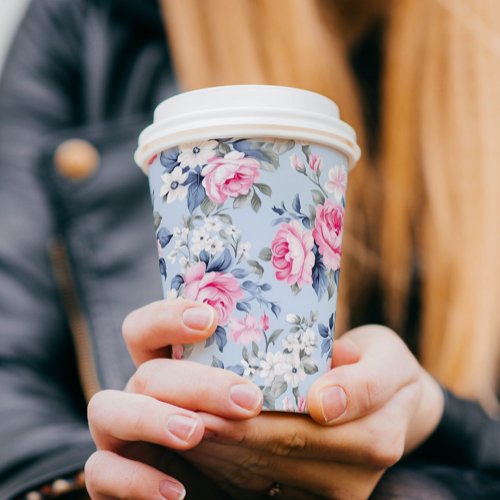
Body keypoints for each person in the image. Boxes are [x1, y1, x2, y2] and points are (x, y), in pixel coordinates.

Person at [0, 0, 499, 498]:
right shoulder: (94, 20)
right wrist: (98, 483)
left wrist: (435, 420)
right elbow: (12, 386)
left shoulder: (483, 49)